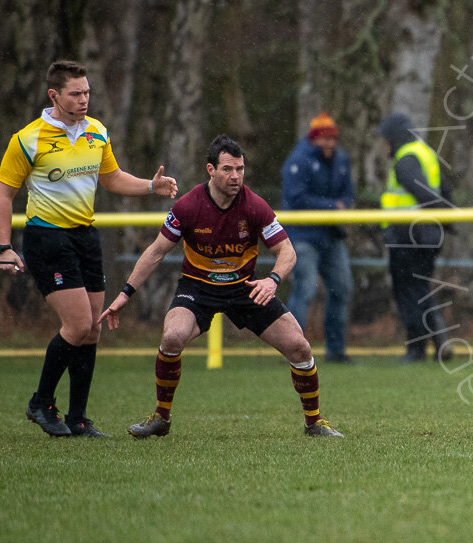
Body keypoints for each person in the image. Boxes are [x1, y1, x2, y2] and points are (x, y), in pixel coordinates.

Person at [100, 135, 343, 438]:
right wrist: (125, 294)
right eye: (228, 169)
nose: (236, 176)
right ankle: (161, 417)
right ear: (210, 170)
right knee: (172, 337)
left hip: (245, 288)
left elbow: (287, 252)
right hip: (197, 287)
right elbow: (156, 251)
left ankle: (314, 422)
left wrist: (272, 280)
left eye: (240, 169)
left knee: (300, 347)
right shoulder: (188, 205)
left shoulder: (255, 206)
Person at [0, 60, 178, 438]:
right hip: (47, 238)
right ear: (54, 95)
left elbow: (112, 178)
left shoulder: (96, 131)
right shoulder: (28, 139)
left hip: (85, 237)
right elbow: (4, 195)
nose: (83, 99)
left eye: (87, 92)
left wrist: (149, 186)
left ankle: (78, 419)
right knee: (77, 325)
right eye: (75, 93)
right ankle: (41, 403)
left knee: (92, 329)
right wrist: (3, 247)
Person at [378, 112, 454, 362]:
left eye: (386, 139)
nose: (384, 145)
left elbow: (426, 195)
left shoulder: (405, 160)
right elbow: (444, 190)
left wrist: (440, 215)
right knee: (420, 288)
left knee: (408, 291)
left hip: (408, 235)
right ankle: (439, 337)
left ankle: (417, 348)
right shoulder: (425, 152)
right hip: (427, 234)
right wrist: (447, 221)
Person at [282, 112, 356, 364]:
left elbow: (348, 194)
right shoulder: (298, 160)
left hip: (331, 236)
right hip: (303, 235)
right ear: (314, 139)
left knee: (343, 288)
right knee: (304, 289)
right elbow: (296, 199)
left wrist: (341, 206)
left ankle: (336, 350)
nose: (330, 143)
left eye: (333, 138)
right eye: (325, 138)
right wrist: (332, 207)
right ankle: (293, 349)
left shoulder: (341, 159)